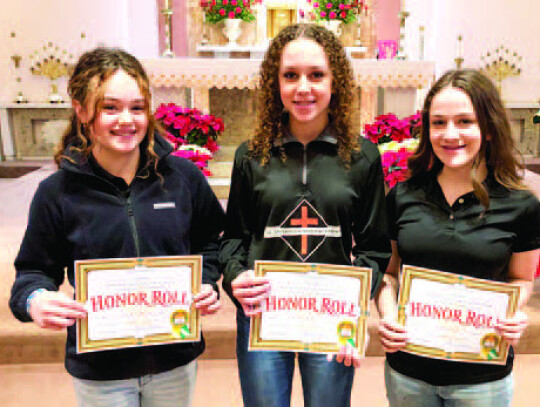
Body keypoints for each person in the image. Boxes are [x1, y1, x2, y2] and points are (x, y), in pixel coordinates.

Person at [9, 47, 225, 407]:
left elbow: (213, 242)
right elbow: (32, 272)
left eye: (137, 108)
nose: (126, 120)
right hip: (101, 367)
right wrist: (36, 300)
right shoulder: (58, 192)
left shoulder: (182, 178)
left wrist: (207, 281)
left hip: (173, 359)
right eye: (110, 108)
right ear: (81, 109)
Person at [219, 23, 391, 407]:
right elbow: (234, 238)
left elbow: (375, 247)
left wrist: (356, 303)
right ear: (274, 83)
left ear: (335, 82)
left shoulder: (362, 157)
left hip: (330, 313)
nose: (303, 88)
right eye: (290, 76)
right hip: (264, 311)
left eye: (317, 75)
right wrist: (236, 276)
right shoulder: (251, 155)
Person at [376, 69, 540, 407]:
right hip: (409, 370)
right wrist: (388, 314)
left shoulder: (521, 205)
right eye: (438, 123)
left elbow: (521, 279)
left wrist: (516, 312)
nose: (450, 134)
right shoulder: (403, 196)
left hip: (481, 376)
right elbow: (389, 273)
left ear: (489, 128)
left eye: (465, 121)